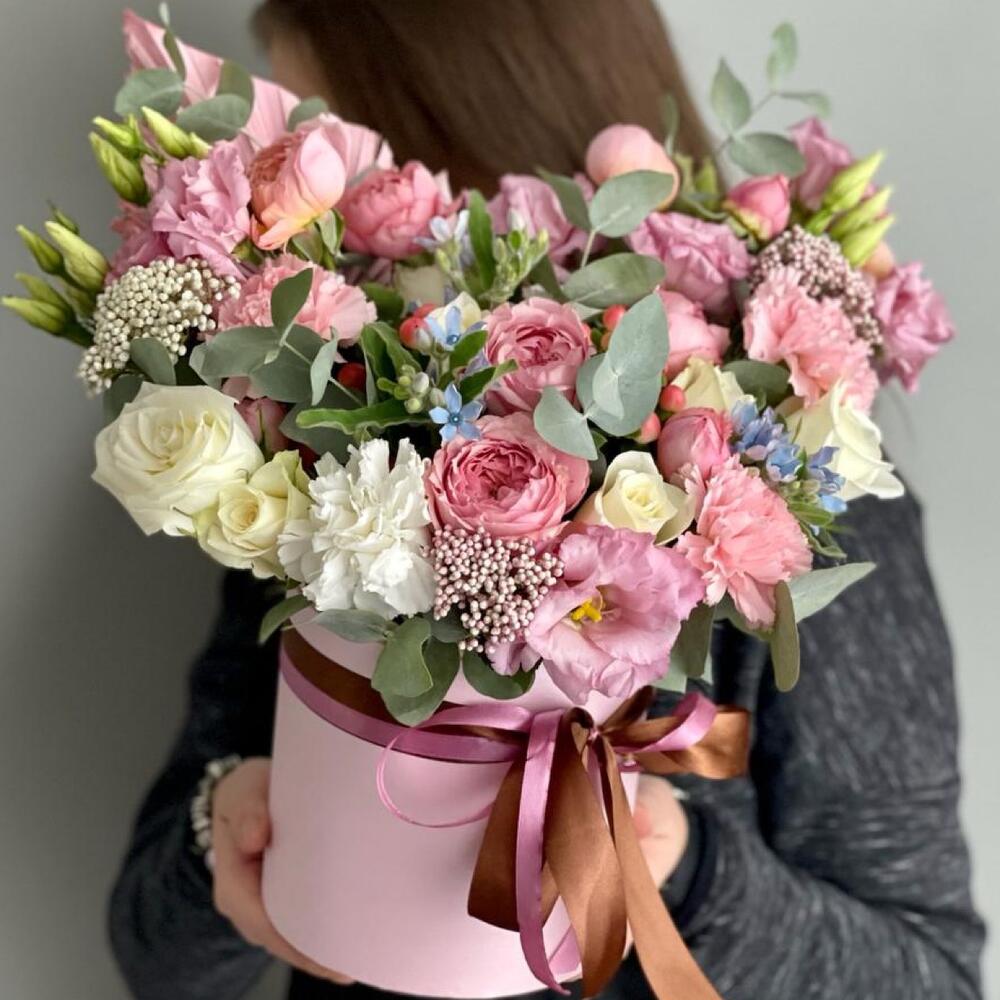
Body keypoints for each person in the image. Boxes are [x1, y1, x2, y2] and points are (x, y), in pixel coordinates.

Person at [107, 2, 986, 998]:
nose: (284, 225)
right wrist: (221, 837)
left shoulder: (791, 517)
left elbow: (930, 977)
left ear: (475, 154)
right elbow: (154, 960)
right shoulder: (329, 477)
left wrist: (680, 871)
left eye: (323, 167)